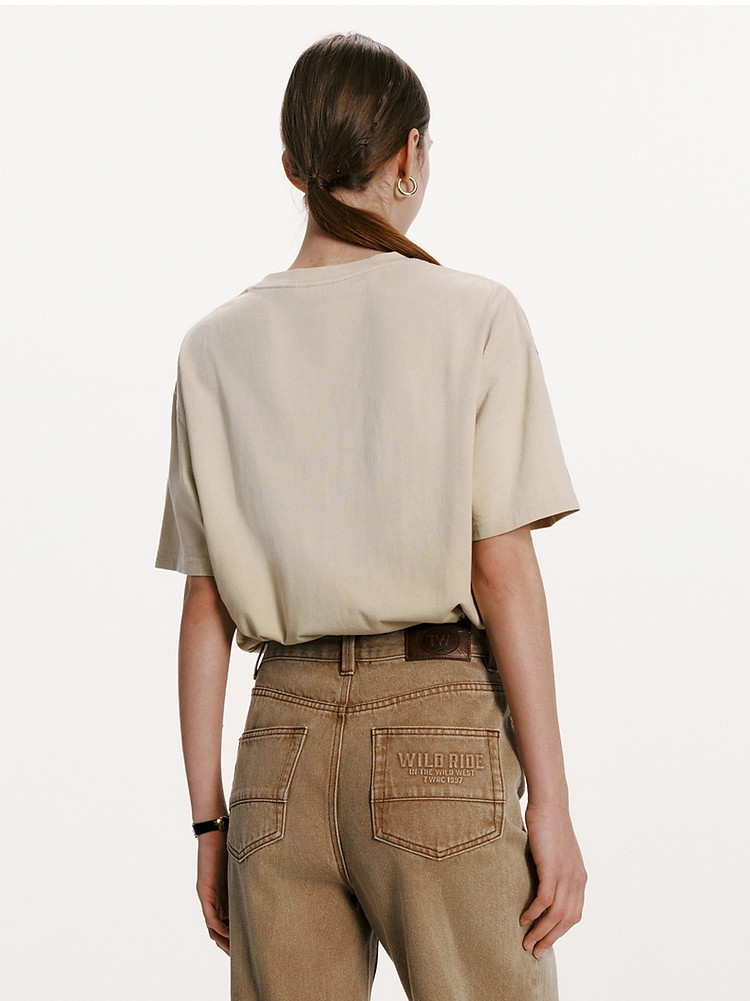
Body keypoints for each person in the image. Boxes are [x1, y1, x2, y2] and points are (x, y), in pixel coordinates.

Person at [156, 32, 586, 1001]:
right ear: (409, 153)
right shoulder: (474, 315)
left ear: (291, 167)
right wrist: (552, 804)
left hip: (278, 750)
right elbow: (500, 570)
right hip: (435, 732)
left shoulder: (211, 347)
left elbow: (204, 608)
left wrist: (210, 823)